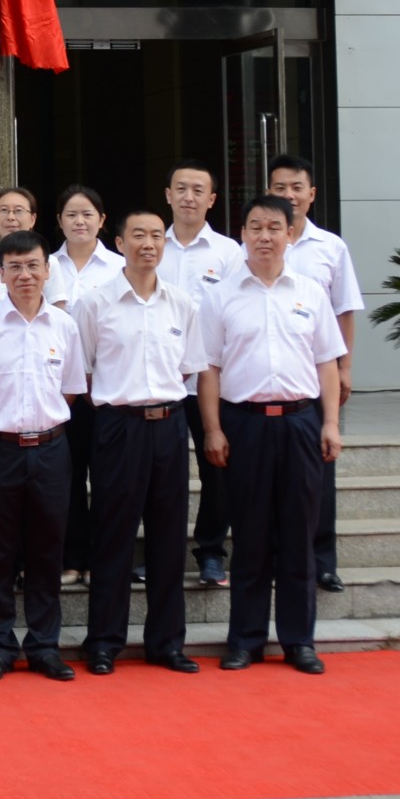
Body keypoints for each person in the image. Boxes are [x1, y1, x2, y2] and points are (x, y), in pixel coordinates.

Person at [197, 192, 346, 675]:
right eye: (256, 227)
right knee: (251, 534)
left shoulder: (310, 292)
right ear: (242, 234)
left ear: (290, 234)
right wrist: (213, 429)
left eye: (274, 228)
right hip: (245, 424)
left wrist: (330, 422)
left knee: (299, 535)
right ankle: (246, 639)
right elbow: (209, 369)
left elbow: (327, 363)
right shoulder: (220, 296)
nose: (265, 236)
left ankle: (299, 641)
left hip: (301, 422)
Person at [71, 207, 202, 676]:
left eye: (156, 236)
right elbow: (83, 371)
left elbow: (188, 370)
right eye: (138, 236)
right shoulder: (96, 303)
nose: (148, 244)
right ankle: (104, 641)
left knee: (169, 537)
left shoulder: (182, 304)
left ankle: (166, 643)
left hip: (169, 425)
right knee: (113, 536)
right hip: (118, 427)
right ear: (120, 243)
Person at [0, 230, 87, 683]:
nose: (25, 275)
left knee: (46, 550)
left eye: (33, 265)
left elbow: (70, 390)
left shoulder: (65, 326)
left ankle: (43, 645)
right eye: (14, 267)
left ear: (47, 270)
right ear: (0, 274)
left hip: (51, 450)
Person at [268, 155, 363, 594]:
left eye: (296, 187)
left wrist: (345, 367)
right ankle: (274, 558)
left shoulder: (331, 247)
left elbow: (344, 310)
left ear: (311, 194)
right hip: (268, 381)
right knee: (270, 479)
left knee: (319, 473)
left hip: (317, 377)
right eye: (280, 187)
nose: (288, 195)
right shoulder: (254, 241)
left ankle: (321, 561)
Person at [160, 160, 243, 588]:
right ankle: (163, 555)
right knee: (165, 477)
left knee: (218, 470)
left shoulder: (230, 253)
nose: (188, 197)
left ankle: (211, 552)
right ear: (168, 195)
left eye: (197, 190)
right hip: (163, 384)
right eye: (181, 188)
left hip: (213, 383)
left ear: (211, 199)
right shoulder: (151, 245)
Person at [47, 184, 123, 591]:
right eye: (71, 214)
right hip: (59, 390)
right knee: (68, 478)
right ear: (59, 221)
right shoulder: (45, 265)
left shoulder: (119, 267)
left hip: (107, 389)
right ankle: (72, 556)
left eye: (87, 214)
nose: (79, 221)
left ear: (102, 220)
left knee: (108, 478)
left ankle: (100, 559)